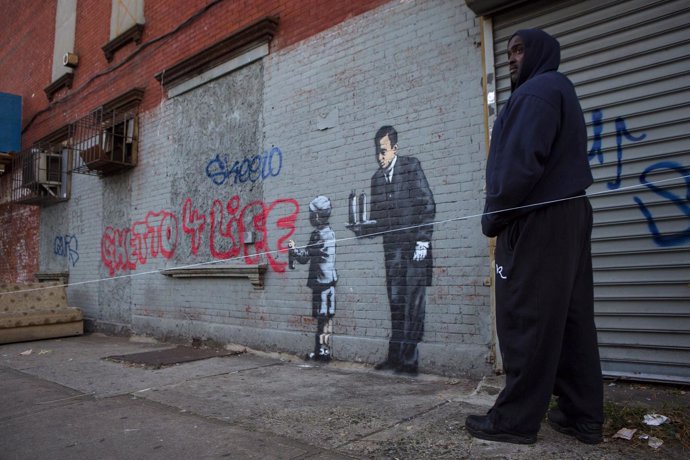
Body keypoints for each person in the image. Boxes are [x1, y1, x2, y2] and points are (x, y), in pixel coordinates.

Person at [465, 29, 603, 445]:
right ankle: (583, 416)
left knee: (526, 318)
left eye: (519, 50)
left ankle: (514, 421)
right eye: (507, 52)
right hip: (570, 214)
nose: (511, 59)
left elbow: (517, 168)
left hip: (538, 220)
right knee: (572, 319)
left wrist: (494, 218)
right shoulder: (559, 89)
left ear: (540, 53)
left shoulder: (534, 93)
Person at [356, 125, 435, 375]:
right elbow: (380, 221)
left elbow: (427, 204)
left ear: (394, 149)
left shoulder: (411, 167)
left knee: (414, 304)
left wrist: (423, 241)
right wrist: (363, 229)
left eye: (383, 151)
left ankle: (409, 361)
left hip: (415, 250)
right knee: (396, 302)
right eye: (376, 153)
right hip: (392, 254)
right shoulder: (376, 180)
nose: (379, 157)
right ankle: (394, 357)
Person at [288, 196, 338, 362]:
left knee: (322, 317)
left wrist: (294, 251)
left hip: (321, 283)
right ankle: (322, 350)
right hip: (328, 282)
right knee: (325, 317)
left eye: (311, 214)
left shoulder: (318, 236)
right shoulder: (329, 232)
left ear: (316, 216)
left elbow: (304, 257)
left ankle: (323, 351)